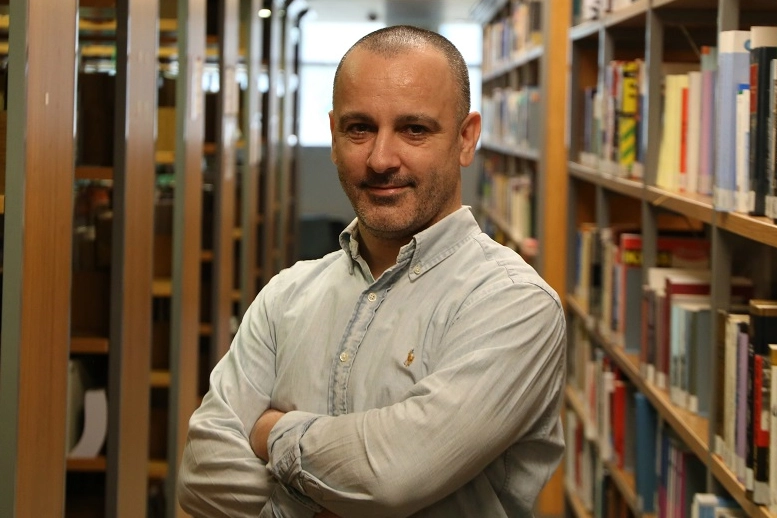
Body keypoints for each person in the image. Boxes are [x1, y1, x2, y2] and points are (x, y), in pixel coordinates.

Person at [177, 24, 566, 518]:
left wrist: (269, 431)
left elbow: (393, 475)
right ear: (334, 134)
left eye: (414, 129)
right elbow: (201, 474)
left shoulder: (514, 303)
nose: (381, 159)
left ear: (466, 139)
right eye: (359, 128)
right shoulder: (285, 295)